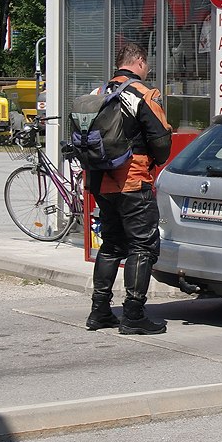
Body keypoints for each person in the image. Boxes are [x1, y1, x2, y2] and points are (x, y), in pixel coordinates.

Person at [86, 42, 172, 335]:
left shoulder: (98, 93)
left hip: (100, 181)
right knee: (142, 246)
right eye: (147, 65)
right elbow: (161, 142)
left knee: (111, 244)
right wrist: (154, 160)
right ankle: (133, 314)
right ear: (139, 62)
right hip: (133, 179)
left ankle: (99, 311)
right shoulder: (143, 93)